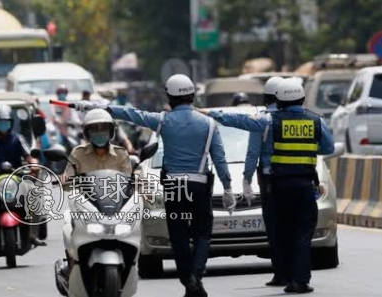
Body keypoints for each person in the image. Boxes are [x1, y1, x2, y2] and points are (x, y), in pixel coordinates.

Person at [77, 74, 236, 297]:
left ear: (169, 97)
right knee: (202, 234)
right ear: (193, 95)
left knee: (178, 236)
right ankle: (195, 277)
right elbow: (219, 158)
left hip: (174, 188)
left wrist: (99, 108)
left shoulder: (163, 121)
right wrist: (227, 188)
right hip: (199, 187)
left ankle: (188, 281)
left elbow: (132, 114)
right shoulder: (209, 124)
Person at [199, 78, 335, 294]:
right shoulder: (316, 121)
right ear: (302, 98)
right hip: (305, 185)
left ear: (278, 101)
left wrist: (210, 113)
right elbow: (328, 147)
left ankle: (289, 276)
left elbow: (237, 120)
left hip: (279, 186)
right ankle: (300, 280)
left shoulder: (269, 121)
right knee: (302, 234)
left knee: (284, 232)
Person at [58, 108, 132, 282]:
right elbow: (68, 180)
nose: (100, 132)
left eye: (103, 128)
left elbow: (130, 183)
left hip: (115, 208)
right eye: (95, 129)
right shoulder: (78, 153)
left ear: (111, 131)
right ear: (87, 133)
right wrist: (65, 179)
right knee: (69, 227)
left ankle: (131, 264)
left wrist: (138, 183)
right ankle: (72, 266)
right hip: (86, 208)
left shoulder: (121, 154)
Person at [0, 104, 45, 246]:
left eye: (6, 122)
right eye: (0, 122)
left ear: (11, 123)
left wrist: (34, 165)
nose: (3, 125)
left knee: (34, 195)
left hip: (17, 178)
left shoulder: (18, 138)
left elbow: (29, 155)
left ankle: (32, 235)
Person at [241, 76, 286, 286]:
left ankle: (280, 273)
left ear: (265, 97)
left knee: (275, 227)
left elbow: (253, 153)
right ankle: (297, 271)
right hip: (296, 177)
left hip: (269, 179)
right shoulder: (297, 118)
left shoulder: (261, 119)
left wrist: (247, 180)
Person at [51, 84, 82, 154]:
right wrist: (61, 122)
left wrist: (77, 122)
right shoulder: (55, 105)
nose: (62, 94)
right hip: (57, 133)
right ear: (57, 94)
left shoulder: (70, 104)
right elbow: (55, 117)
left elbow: (75, 116)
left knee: (76, 148)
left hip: (69, 133)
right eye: (60, 92)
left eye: (63, 92)